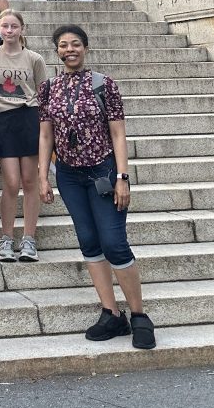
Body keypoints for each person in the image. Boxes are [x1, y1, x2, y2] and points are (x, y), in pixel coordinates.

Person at [38, 24, 156, 350]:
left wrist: (123, 177)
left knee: (114, 243)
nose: (70, 50)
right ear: (57, 51)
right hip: (69, 175)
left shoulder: (104, 84)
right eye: (64, 45)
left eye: (75, 44)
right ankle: (111, 313)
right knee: (89, 241)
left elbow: (118, 133)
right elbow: (46, 135)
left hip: (103, 172)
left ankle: (139, 315)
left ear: (85, 48)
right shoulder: (48, 88)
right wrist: (43, 176)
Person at [0, 10, 47, 263]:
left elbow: (43, 95)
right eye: (5, 26)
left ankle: (29, 238)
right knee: (10, 182)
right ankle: (6, 238)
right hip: (2, 120)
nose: (9, 31)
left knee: (30, 181)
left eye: (14, 26)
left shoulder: (34, 59)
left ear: (22, 29)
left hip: (28, 118)